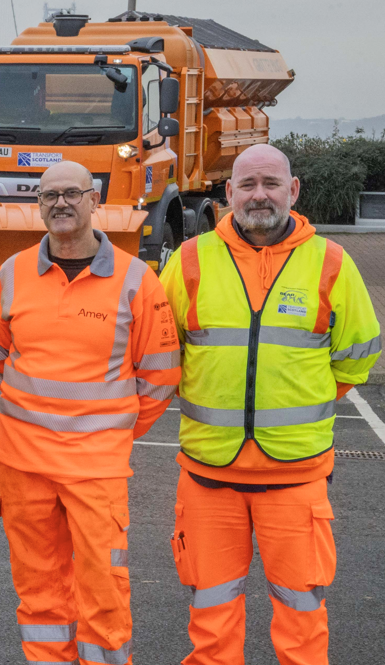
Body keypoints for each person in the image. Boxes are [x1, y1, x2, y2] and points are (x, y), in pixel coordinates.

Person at [159, 143, 380, 665]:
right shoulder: (190, 261)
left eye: (271, 184)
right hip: (210, 474)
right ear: (228, 192)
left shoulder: (331, 262)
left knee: (302, 624)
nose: (260, 195)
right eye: (249, 185)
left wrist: (297, 402)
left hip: (296, 478)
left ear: (293, 190)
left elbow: (355, 359)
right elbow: (162, 354)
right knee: (211, 623)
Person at [0, 160, 180, 665]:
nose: (61, 204)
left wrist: (112, 431)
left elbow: (160, 375)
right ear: (39, 206)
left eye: (72, 193)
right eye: (49, 196)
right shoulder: (12, 274)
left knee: (104, 592)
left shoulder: (137, 281)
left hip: (96, 470)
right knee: (39, 591)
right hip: (24, 468)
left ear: (95, 200)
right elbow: (1, 357)